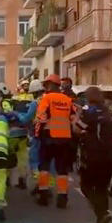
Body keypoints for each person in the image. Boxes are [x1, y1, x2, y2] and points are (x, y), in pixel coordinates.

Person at [74, 87, 112, 223]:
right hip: (109, 155)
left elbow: (77, 129)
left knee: (86, 187)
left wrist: (78, 114)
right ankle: (101, 220)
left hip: (92, 155)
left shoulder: (89, 112)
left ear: (88, 97)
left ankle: (102, 214)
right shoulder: (109, 112)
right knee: (102, 188)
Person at [35, 74, 75, 208]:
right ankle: (62, 197)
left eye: (46, 84)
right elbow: (73, 118)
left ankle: (43, 195)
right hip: (65, 139)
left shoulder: (47, 98)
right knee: (62, 169)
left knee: (44, 166)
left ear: (51, 85)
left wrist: (37, 133)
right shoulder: (68, 100)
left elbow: (40, 117)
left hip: (48, 138)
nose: (45, 87)